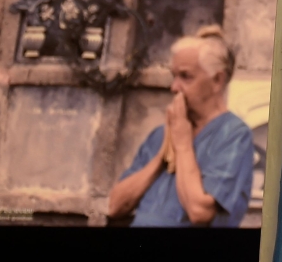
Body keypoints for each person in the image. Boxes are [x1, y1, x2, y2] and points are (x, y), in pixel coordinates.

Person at [108, 25, 253, 227]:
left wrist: (183, 144)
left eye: (185, 77)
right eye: (173, 76)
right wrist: (164, 154)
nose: (174, 87)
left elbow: (199, 212)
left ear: (217, 80)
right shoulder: (161, 135)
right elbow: (115, 206)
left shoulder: (234, 135)